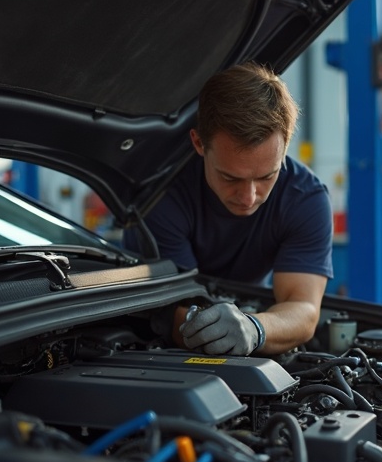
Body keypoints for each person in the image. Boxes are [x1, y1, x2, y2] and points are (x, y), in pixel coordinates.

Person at [124, 61, 333, 356]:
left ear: (285, 145)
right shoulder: (163, 197)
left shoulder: (305, 200)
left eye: (266, 176)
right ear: (199, 143)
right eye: (230, 177)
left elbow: (303, 309)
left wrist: (255, 328)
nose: (249, 197)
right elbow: (171, 315)